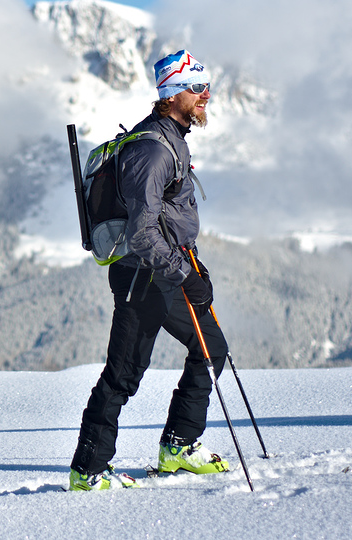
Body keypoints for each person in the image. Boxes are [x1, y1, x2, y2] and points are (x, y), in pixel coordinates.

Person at [68, 49, 230, 491]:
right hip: (142, 276)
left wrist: (193, 267)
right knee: (123, 373)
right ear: (172, 94)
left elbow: (168, 217)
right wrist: (186, 274)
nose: (206, 95)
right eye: (197, 88)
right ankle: (88, 471)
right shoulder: (152, 150)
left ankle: (178, 447)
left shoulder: (173, 136)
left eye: (206, 86)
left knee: (211, 347)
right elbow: (141, 233)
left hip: (167, 271)